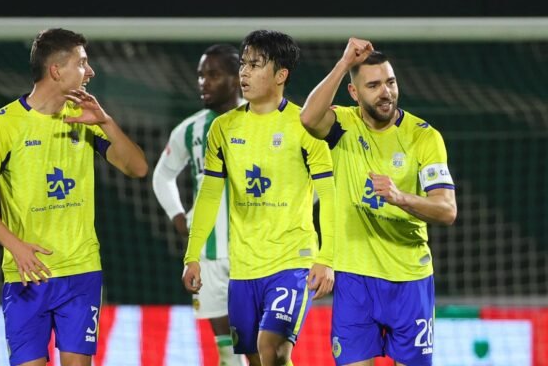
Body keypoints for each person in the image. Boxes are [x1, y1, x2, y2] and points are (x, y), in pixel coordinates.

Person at [0, 28, 148, 366]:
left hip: (80, 270)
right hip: (26, 274)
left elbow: (137, 168)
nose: (90, 72)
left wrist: (105, 121)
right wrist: (15, 246)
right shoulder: (4, 123)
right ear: (56, 70)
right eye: (82, 63)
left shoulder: (85, 117)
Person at [182, 30, 336, 366]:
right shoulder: (223, 128)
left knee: (274, 348)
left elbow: (329, 196)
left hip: (292, 262)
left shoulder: (306, 126)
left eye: (255, 65)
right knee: (254, 359)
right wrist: (192, 255)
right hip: (243, 268)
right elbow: (208, 196)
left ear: (281, 75)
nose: (245, 72)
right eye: (244, 64)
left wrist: (327, 257)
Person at [300, 38, 457, 366]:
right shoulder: (343, 125)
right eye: (373, 86)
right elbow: (308, 118)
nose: (386, 92)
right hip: (355, 278)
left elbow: (446, 210)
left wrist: (400, 198)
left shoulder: (423, 136)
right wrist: (344, 63)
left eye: (391, 82)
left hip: (409, 277)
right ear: (354, 93)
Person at [153, 44, 247, 366]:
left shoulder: (264, 121)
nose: (203, 82)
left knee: (264, 347)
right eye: (201, 75)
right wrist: (178, 216)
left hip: (257, 251)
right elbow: (162, 175)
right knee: (227, 351)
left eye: (213, 75)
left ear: (236, 79)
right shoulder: (190, 129)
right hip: (208, 253)